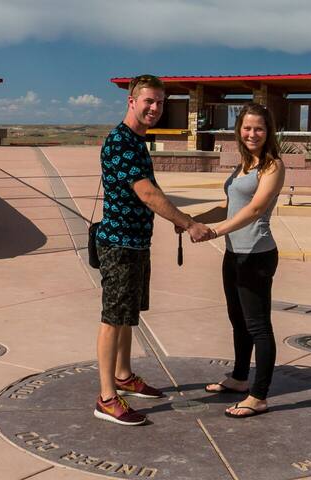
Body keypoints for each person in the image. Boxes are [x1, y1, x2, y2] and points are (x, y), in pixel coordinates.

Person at [92, 74, 212, 426]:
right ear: (132, 101)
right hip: (118, 245)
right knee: (113, 319)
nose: (155, 108)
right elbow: (146, 193)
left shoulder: (137, 142)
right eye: (149, 101)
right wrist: (188, 224)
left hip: (136, 243)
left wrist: (177, 217)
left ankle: (123, 375)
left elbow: (152, 194)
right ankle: (106, 398)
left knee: (128, 314)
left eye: (160, 102)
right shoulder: (120, 143)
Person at [192, 102, 286, 419]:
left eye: (259, 128)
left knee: (258, 326)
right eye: (247, 127)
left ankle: (258, 395)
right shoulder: (243, 165)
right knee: (238, 320)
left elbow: (255, 209)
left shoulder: (272, 166)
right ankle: (239, 378)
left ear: (268, 131)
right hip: (234, 254)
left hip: (257, 255)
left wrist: (215, 232)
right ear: (239, 130)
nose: (252, 133)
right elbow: (230, 205)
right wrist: (194, 220)